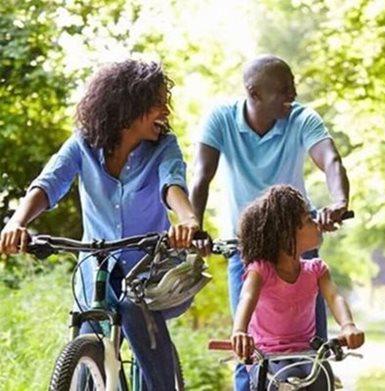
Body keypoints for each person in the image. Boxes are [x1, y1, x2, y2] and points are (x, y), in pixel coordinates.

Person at [0, 59, 199, 389]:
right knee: (88, 346)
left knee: (134, 309)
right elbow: (49, 183)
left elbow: (172, 184)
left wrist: (188, 219)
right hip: (96, 269)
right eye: (156, 102)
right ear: (128, 106)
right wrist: (16, 223)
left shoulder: (163, 146)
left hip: (148, 270)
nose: (165, 110)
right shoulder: (82, 145)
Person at [189, 55, 350, 389]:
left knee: (314, 351)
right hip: (246, 251)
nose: (293, 93)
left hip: (295, 247)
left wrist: (338, 202)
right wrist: (194, 226)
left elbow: (330, 159)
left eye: (293, 85)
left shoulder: (301, 117)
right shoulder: (221, 120)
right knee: (246, 349)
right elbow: (201, 177)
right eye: (283, 89)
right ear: (255, 93)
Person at [230, 185, 364, 389]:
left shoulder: (316, 269)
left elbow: (335, 297)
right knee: (286, 381)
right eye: (309, 220)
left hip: (307, 353)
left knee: (322, 378)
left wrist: (348, 325)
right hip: (268, 357)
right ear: (286, 235)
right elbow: (246, 298)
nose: (317, 223)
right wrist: (240, 331)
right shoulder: (261, 270)